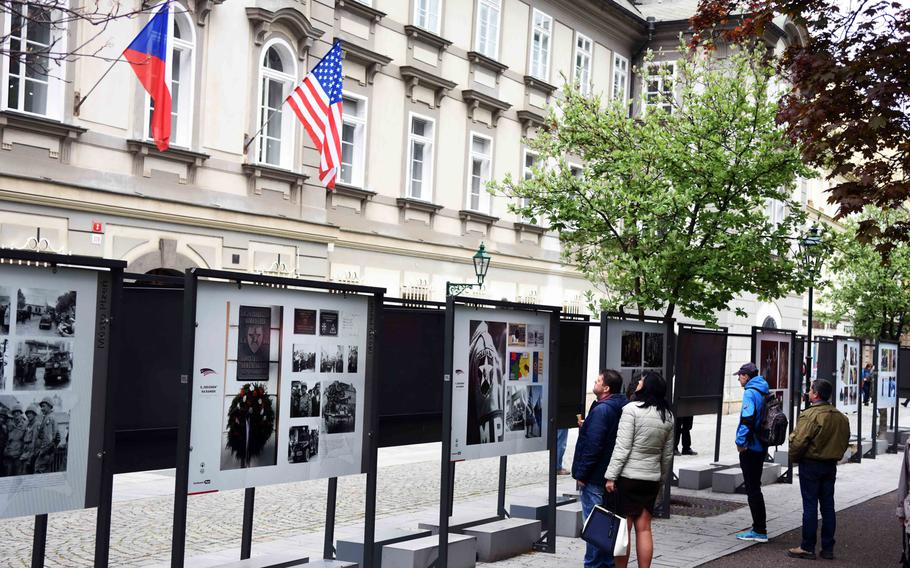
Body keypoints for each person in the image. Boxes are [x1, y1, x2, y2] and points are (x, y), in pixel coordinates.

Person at [605, 372, 674, 568]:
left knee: (623, 530)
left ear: (646, 387)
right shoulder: (667, 415)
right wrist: (660, 480)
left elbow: (622, 447)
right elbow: (667, 455)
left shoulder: (631, 410)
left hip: (628, 478)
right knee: (644, 529)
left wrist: (611, 476)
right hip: (650, 479)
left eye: (642, 381)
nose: (638, 383)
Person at [786, 379, 850, 560]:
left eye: (810, 390)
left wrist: (794, 458)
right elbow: (844, 441)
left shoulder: (811, 415)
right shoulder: (840, 416)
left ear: (816, 394)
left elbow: (799, 441)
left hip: (812, 464)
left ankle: (807, 546)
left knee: (810, 505)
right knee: (828, 506)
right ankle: (828, 547)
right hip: (830, 465)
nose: (808, 392)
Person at [571, 369, 628, 568]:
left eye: (598, 381)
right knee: (605, 524)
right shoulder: (620, 405)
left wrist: (582, 474)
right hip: (609, 474)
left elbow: (594, 446)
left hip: (596, 476)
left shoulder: (603, 409)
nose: (594, 383)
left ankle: (594, 565)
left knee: (594, 525)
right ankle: (607, 563)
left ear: (606, 388)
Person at [733, 362, 770, 543]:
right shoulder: (763, 389)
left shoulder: (749, 392)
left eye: (740, 375)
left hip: (751, 446)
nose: (739, 379)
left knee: (752, 488)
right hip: (762, 445)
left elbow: (747, 419)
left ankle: (759, 530)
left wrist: (740, 442)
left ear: (746, 376)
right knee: (756, 487)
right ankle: (759, 527)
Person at [33, 397, 59, 474]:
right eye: (41, 407)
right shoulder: (50, 417)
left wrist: (42, 451)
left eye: (43, 406)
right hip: (48, 452)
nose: (42, 408)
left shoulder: (49, 418)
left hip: (45, 452)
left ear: (49, 406)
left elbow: (48, 438)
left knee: (38, 472)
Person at [3, 404, 26, 476]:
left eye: (18, 412)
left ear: (20, 413)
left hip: (18, 456)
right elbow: (5, 439)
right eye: (14, 412)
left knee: (17, 477)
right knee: (8, 476)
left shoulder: (25, 425)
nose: (16, 414)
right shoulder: (9, 424)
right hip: (9, 456)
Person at [19, 404, 39, 475]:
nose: (28, 415)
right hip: (25, 451)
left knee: (26, 473)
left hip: (30, 453)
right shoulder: (28, 424)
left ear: (34, 414)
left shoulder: (36, 425)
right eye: (27, 413)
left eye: (30, 413)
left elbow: (34, 441)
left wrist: (30, 458)